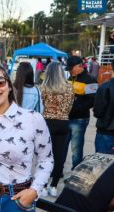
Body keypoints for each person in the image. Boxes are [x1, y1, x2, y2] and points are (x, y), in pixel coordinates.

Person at [0, 63, 53, 211]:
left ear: (8, 86)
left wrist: (34, 191)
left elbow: (46, 159)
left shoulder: (32, 119)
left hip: (17, 199)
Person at [39, 62, 74, 197]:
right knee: (59, 156)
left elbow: (41, 105)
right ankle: (53, 186)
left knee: (45, 155)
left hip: (47, 122)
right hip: (63, 122)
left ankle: (43, 185)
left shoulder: (44, 87)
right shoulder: (69, 87)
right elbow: (70, 106)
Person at [64, 55, 97, 169]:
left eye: (71, 69)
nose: (70, 71)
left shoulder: (90, 80)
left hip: (79, 119)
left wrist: (76, 108)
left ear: (79, 66)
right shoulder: (70, 79)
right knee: (63, 147)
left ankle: (75, 172)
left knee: (76, 149)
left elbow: (92, 100)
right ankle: (58, 171)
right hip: (66, 118)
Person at [93, 57, 114, 155]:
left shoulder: (105, 87)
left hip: (106, 132)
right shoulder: (105, 87)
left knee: (102, 166)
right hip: (107, 131)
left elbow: (98, 112)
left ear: (111, 67)